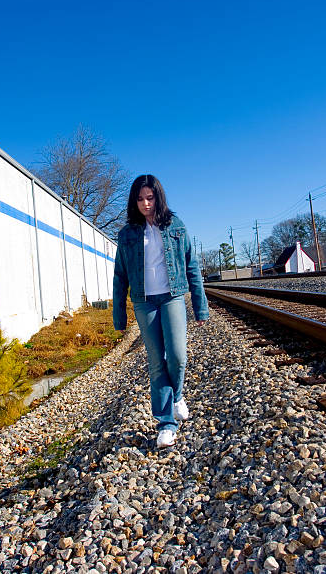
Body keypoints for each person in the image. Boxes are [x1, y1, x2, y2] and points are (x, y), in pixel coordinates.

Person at [113, 174, 209, 448]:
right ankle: (166, 424)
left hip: (172, 297)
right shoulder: (127, 234)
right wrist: (119, 316)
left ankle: (177, 395)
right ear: (135, 201)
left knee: (178, 355)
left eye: (150, 198)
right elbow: (120, 276)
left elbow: (192, 267)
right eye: (141, 199)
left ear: (158, 197)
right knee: (157, 361)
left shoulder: (175, 225)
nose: (146, 204)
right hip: (144, 302)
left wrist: (200, 307)